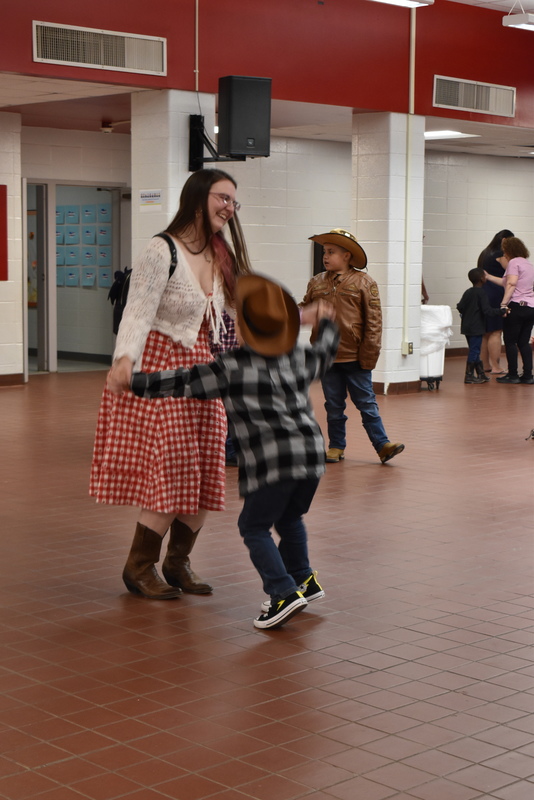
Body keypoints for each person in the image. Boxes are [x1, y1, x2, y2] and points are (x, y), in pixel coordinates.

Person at [130, 274, 340, 629]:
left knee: (253, 526)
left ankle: (283, 592)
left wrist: (133, 381)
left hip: (272, 465)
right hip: (310, 458)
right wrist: (328, 323)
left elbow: (183, 381)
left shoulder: (232, 368)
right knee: (289, 519)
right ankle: (304, 579)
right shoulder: (299, 357)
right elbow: (326, 352)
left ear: (244, 331)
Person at [90, 168, 252, 600]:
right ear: (198, 197)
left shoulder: (221, 254)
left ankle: (177, 563)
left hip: (204, 373)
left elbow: (236, 317)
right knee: (171, 469)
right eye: (222, 197)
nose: (228, 207)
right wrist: (124, 359)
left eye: (234, 201)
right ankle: (138, 567)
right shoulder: (162, 250)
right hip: (163, 372)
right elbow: (138, 311)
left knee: (205, 472)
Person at [301, 228, 404, 465]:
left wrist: (368, 356)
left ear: (347, 256)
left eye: (331, 252)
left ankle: (382, 445)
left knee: (366, 404)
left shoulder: (364, 282)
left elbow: (374, 322)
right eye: (324, 252)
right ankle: (336, 446)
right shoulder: (316, 282)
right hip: (326, 357)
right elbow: (304, 308)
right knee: (333, 406)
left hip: (355, 357)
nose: (325, 257)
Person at [484, 236, 534, 385]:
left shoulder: (513, 262)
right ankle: (528, 376)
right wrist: (488, 276)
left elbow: (511, 284)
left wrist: (503, 304)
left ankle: (512, 374)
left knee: (510, 341)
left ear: (510, 251)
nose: (504, 254)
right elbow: (506, 282)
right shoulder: (528, 264)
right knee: (524, 342)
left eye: (505, 251)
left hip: (516, 306)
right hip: (530, 307)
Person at [456, 268, 508, 384]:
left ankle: (481, 374)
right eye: (485, 276)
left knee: (475, 350)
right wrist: (501, 311)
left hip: (466, 326)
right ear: (482, 279)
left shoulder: (468, 292)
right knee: (474, 351)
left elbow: (460, 306)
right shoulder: (482, 293)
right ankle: (469, 375)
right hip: (477, 327)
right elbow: (487, 311)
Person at [477, 229, 514, 374]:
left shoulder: (485, 252)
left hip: (483, 292)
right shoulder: (500, 254)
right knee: (496, 331)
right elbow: (511, 270)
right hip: (495, 293)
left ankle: (486, 365)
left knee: (486, 331)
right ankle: (496, 366)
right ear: (504, 240)